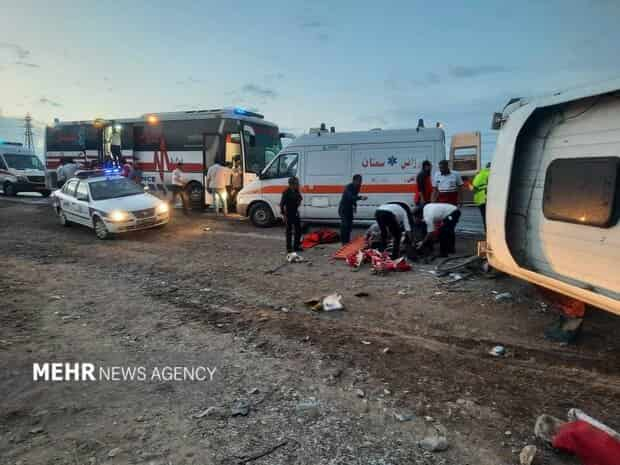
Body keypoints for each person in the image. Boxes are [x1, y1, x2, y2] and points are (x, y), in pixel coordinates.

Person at [338, 174, 367, 245]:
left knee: (349, 226)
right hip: (343, 209)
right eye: (359, 181)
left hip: (350, 208)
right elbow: (350, 197)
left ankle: (347, 242)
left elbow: (354, 198)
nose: (360, 182)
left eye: (361, 181)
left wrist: (355, 206)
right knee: (345, 225)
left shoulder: (357, 187)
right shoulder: (349, 187)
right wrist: (360, 198)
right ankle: (343, 242)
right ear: (354, 180)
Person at [280, 176, 303, 253]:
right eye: (297, 183)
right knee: (289, 231)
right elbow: (282, 204)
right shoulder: (286, 192)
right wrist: (283, 215)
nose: (298, 185)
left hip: (295, 213)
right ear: (291, 184)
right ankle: (289, 248)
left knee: (298, 230)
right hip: (288, 214)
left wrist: (299, 200)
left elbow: (300, 197)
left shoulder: (296, 191)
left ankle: (296, 246)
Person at [471, 162, 491, 230]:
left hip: (481, 199)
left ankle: (487, 233)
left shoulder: (481, 174)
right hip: (489, 199)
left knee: (485, 217)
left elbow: (474, 186)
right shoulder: (492, 174)